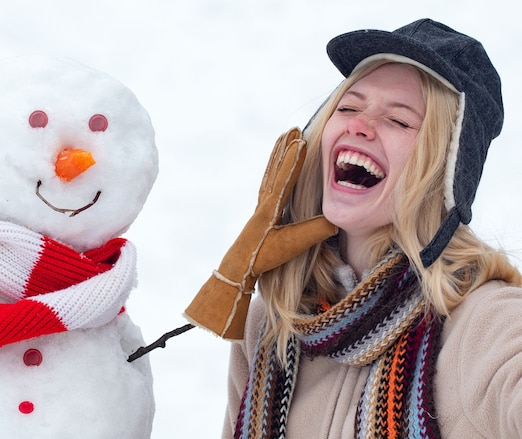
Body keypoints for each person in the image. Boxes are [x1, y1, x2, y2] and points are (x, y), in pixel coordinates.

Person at [222, 18, 522, 438]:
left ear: (446, 171)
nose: (359, 125)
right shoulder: (271, 324)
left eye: (399, 121)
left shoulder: (484, 324)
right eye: (347, 107)